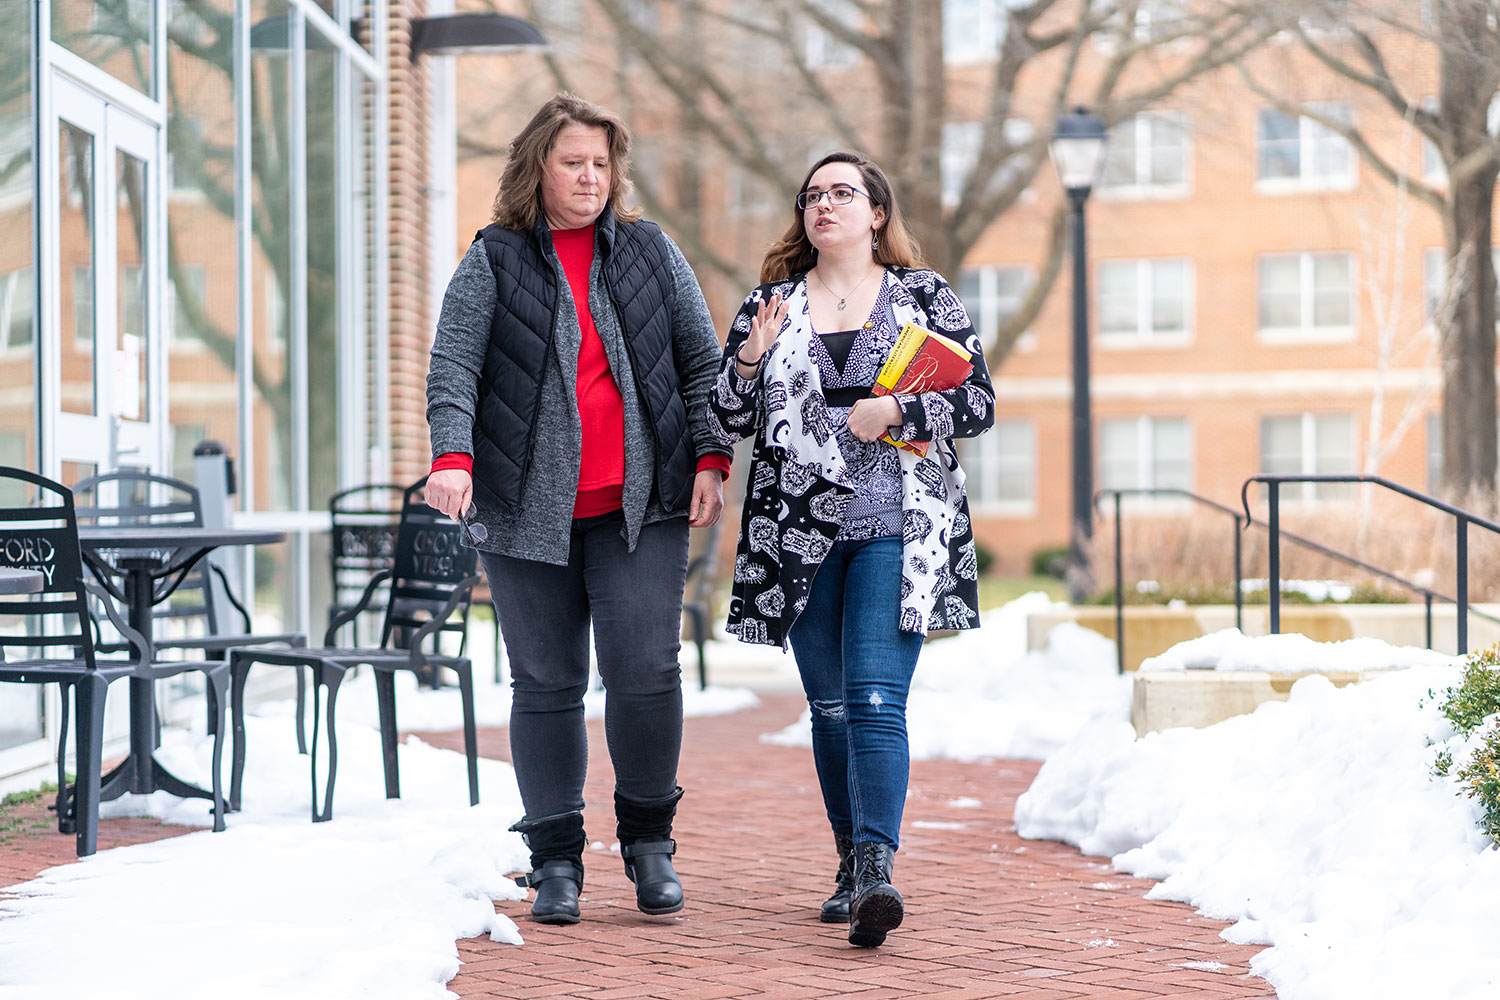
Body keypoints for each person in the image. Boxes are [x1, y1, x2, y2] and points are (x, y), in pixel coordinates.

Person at [424, 93, 731, 925]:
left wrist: (710, 456)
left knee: (645, 670)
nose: (590, 177)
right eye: (573, 162)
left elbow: (701, 359)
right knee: (548, 684)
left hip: (643, 505)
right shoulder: (493, 259)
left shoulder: (648, 250)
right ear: (539, 168)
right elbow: (453, 367)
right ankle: (555, 860)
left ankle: (649, 843)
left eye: (601, 164)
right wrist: (451, 457)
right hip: (526, 510)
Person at [706, 151, 994, 948]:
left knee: (874, 700)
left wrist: (897, 408)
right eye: (812, 196)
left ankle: (875, 870)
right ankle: (846, 862)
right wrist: (751, 359)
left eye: (843, 192)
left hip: (897, 527)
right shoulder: (769, 304)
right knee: (829, 709)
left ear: (876, 213)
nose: (824, 204)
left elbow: (977, 399)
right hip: (796, 536)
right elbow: (726, 414)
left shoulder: (921, 296)